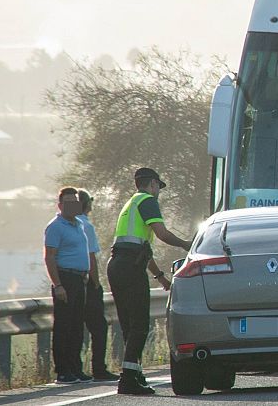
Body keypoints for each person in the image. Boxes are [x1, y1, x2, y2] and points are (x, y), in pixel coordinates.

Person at [108, 168, 192, 395]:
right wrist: (186, 245)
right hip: (130, 268)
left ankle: (134, 374)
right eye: (158, 187)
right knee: (140, 325)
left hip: (118, 265)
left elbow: (142, 250)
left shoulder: (131, 204)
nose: (158, 192)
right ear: (153, 184)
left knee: (129, 326)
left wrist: (160, 276)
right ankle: (128, 379)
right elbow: (162, 234)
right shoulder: (147, 201)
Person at [43, 186, 93, 384]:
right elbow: (50, 257)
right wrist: (58, 285)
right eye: (68, 202)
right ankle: (63, 371)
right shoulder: (55, 227)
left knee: (76, 326)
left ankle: (75, 368)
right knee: (64, 326)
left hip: (79, 280)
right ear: (60, 205)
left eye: (75, 202)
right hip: (65, 279)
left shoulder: (79, 224)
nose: (72, 206)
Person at [77, 189, 120, 382]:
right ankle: (99, 368)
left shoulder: (69, 224)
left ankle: (74, 368)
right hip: (88, 283)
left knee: (75, 327)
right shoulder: (86, 226)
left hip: (73, 282)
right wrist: (96, 283)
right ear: (87, 204)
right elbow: (91, 258)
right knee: (99, 327)